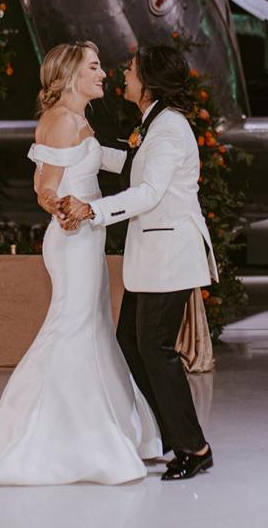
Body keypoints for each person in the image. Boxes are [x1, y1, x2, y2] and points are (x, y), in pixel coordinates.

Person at [0, 41, 161, 486]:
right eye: (95, 66)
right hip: (73, 242)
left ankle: (103, 434)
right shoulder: (64, 122)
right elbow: (44, 185)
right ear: (70, 75)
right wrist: (60, 209)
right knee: (70, 330)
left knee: (91, 329)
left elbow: (90, 168)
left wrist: (154, 149)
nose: (104, 73)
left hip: (85, 237)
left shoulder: (76, 120)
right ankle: (48, 438)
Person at [59, 44, 218, 481]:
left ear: (147, 81)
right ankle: (170, 434)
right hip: (152, 258)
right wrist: (86, 150)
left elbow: (149, 192)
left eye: (129, 70)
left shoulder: (169, 129)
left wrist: (95, 210)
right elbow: (134, 165)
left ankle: (194, 446)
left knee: (155, 348)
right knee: (131, 341)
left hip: (171, 255)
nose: (122, 75)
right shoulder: (153, 125)